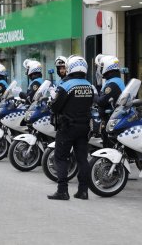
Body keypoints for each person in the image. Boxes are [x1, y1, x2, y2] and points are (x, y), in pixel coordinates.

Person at [47, 55, 94, 200]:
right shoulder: (89, 85)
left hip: (67, 127)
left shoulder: (66, 85)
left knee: (61, 158)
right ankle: (83, 191)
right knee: (82, 159)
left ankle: (62, 191)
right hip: (84, 127)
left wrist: (51, 100)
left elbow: (55, 107)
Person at [95, 55, 125, 148]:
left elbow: (101, 101)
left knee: (109, 147)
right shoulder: (113, 81)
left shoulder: (112, 84)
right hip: (110, 119)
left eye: (101, 67)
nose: (100, 70)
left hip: (111, 120)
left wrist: (93, 94)